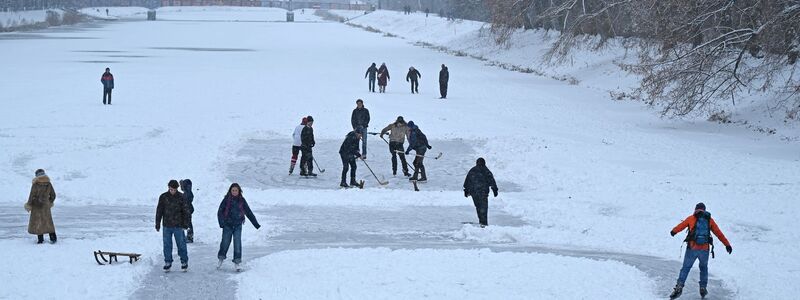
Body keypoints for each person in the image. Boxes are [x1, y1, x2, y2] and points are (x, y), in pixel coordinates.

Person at [668, 203, 733, 299]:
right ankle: (703, 288)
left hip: (692, 249)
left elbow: (680, 226)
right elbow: (719, 233)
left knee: (686, 268)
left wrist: (673, 231)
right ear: (704, 210)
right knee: (703, 268)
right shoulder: (709, 220)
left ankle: (679, 287)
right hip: (704, 250)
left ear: (695, 209)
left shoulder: (691, 218)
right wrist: (727, 244)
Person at [216, 183, 260, 271]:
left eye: (236, 190)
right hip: (227, 225)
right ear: (230, 191)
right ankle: (221, 258)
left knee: (237, 243)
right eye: (233, 190)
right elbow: (220, 212)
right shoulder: (226, 200)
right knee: (225, 242)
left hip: (237, 225)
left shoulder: (242, 200)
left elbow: (248, 212)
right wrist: (222, 223)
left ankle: (237, 262)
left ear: (239, 191)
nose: (234, 192)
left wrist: (256, 224)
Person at [155, 180, 191, 272]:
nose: (172, 191)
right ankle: (168, 262)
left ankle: (184, 261)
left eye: (174, 190)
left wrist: (186, 224)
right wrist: (158, 223)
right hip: (167, 225)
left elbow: (186, 211)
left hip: (178, 226)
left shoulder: (181, 197)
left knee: (181, 244)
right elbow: (159, 211)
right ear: (168, 188)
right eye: (171, 189)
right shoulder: (163, 197)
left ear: (177, 189)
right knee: (167, 245)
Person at [463, 158, 498, 227]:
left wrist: (466, 190)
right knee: (483, 207)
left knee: (478, 207)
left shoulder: (472, 170)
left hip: (474, 192)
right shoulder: (486, 170)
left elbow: (467, 181)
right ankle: (484, 222)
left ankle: (481, 221)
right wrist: (494, 189)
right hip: (483, 192)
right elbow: (491, 180)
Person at [25, 169, 57, 244]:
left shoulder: (35, 184)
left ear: (36, 176)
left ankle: (40, 240)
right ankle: (53, 238)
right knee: (48, 222)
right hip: (46, 206)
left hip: (36, 206)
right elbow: (53, 195)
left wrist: (29, 204)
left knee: (38, 223)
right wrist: (49, 202)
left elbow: (31, 195)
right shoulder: (49, 184)